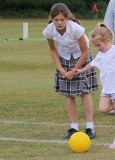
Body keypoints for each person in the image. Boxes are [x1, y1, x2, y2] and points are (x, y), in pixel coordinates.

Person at [42, 3, 98, 139]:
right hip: (64, 57)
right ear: (52, 19)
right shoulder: (49, 30)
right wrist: (60, 68)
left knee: (84, 91)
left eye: (62, 19)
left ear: (67, 18)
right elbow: (53, 49)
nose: (59, 23)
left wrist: (74, 70)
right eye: (56, 20)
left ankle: (90, 127)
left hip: (81, 56)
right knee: (69, 94)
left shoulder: (76, 29)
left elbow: (85, 51)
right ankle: (73, 128)